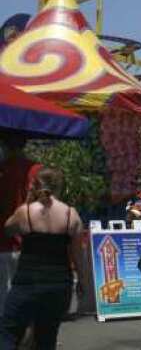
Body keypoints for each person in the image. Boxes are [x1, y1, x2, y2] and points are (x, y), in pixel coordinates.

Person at [0, 167, 84, 350]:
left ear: (35, 185)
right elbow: (78, 255)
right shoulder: (71, 215)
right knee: (47, 338)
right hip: (59, 284)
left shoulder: (26, 212)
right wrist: (82, 281)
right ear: (60, 187)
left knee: (8, 333)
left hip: (27, 283)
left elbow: (8, 228)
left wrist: (28, 201)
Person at [0, 134, 42, 314]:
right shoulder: (36, 170)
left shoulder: (3, 169)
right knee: (29, 296)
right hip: (30, 241)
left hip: (4, 240)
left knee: (6, 297)